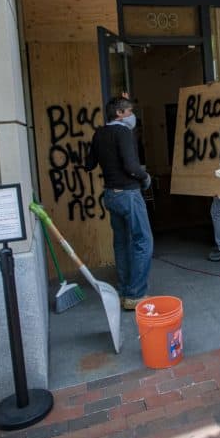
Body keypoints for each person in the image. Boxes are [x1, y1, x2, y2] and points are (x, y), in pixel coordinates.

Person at [86, 97, 154, 311]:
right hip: (128, 194)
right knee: (143, 241)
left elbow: (89, 164)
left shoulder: (99, 133)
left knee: (122, 242)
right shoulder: (123, 132)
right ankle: (135, 294)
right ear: (120, 114)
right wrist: (144, 176)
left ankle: (124, 290)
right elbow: (131, 165)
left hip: (110, 195)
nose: (132, 115)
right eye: (130, 111)